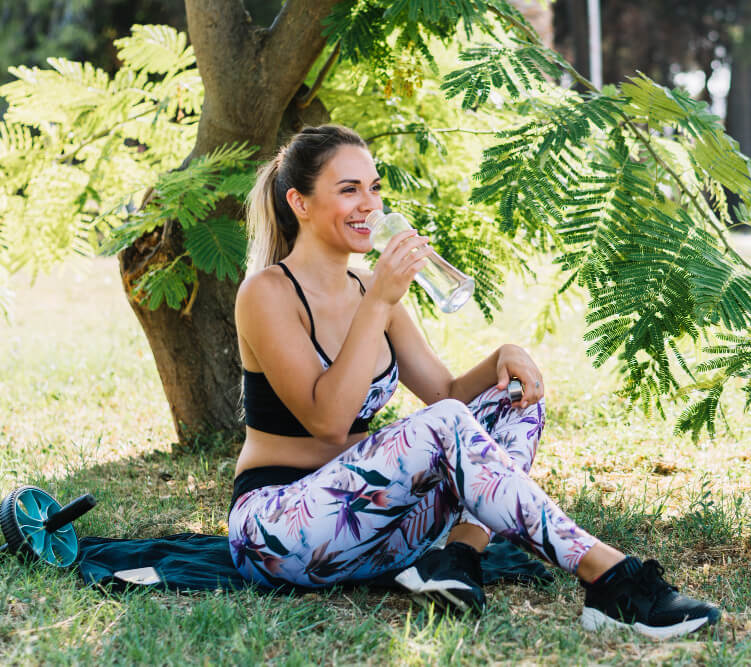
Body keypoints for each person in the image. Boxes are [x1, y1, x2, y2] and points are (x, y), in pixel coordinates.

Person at [227, 124, 721, 639]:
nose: (368, 205)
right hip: (279, 534)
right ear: (299, 203)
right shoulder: (266, 294)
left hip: (374, 534)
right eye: (348, 190)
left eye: (374, 188)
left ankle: (459, 557)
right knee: (444, 425)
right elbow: (327, 423)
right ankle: (610, 576)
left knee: (514, 402)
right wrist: (380, 302)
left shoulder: (369, 289)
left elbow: (445, 395)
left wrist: (500, 359)